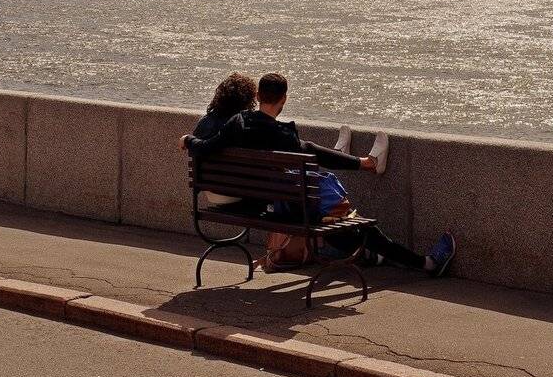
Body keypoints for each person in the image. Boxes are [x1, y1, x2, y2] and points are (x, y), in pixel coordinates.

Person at [184, 73, 455, 277]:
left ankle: (372, 255)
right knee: (357, 225)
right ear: (283, 99)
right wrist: (358, 163)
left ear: (259, 96)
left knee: (328, 213)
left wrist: (187, 140)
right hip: (281, 207)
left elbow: (203, 146)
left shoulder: (234, 124)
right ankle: (426, 263)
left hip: (251, 204)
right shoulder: (283, 134)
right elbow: (309, 151)